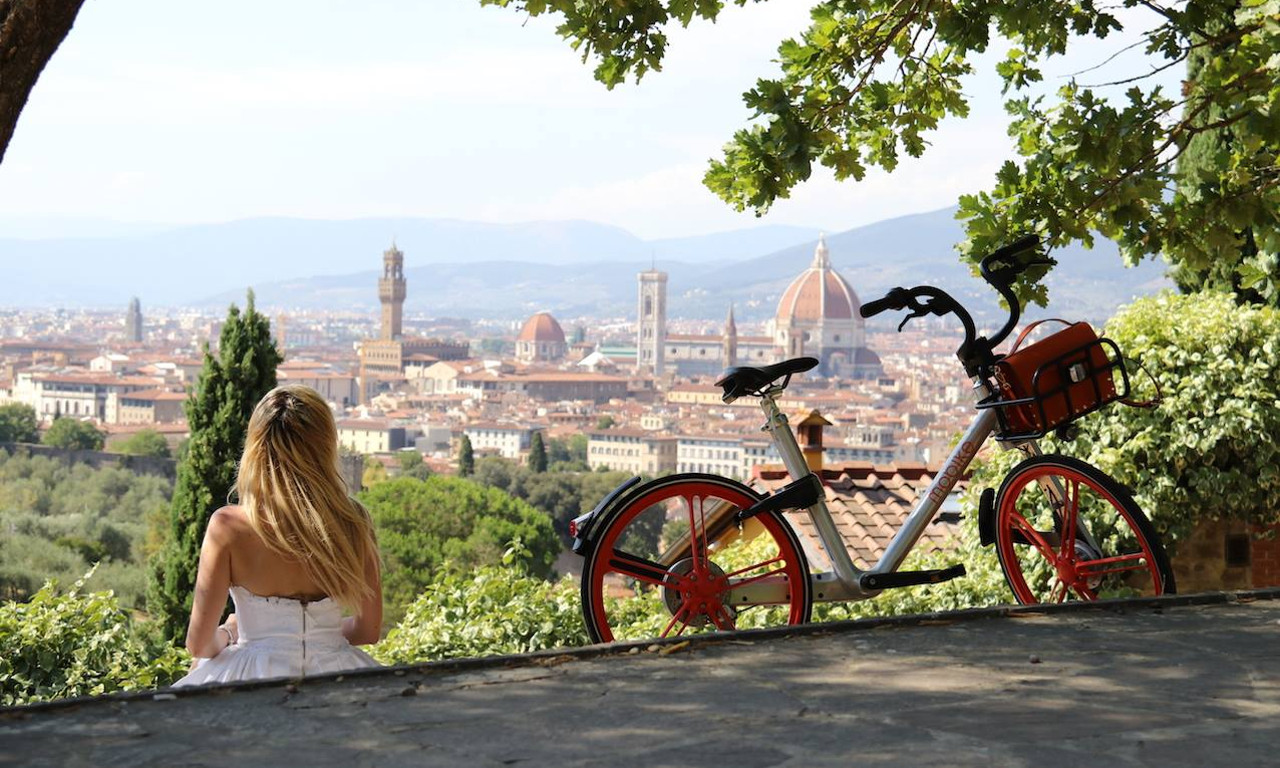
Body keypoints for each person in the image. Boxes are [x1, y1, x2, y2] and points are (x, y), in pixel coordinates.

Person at [173, 384, 382, 686]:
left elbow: (199, 645)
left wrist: (231, 631)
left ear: (256, 448)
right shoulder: (354, 521)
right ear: (325, 445)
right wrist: (324, 640)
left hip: (252, 677)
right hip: (339, 674)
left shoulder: (228, 527)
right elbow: (368, 632)